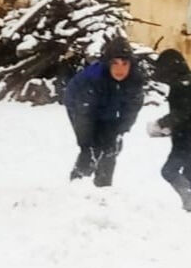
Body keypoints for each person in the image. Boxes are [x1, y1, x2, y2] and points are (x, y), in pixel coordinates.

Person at [62, 35, 145, 187]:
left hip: (109, 110)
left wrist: (120, 130)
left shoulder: (135, 80)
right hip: (79, 106)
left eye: (124, 63)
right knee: (92, 149)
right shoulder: (93, 79)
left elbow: (132, 108)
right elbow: (84, 115)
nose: (120, 69)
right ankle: (77, 183)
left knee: (111, 147)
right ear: (108, 63)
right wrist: (86, 142)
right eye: (115, 63)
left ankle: (103, 186)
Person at [148, 48, 191, 211]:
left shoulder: (181, 85)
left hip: (189, 141)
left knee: (169, 171)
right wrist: (170, 129)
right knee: (188, 176)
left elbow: (181, 113)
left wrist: (160, 124)